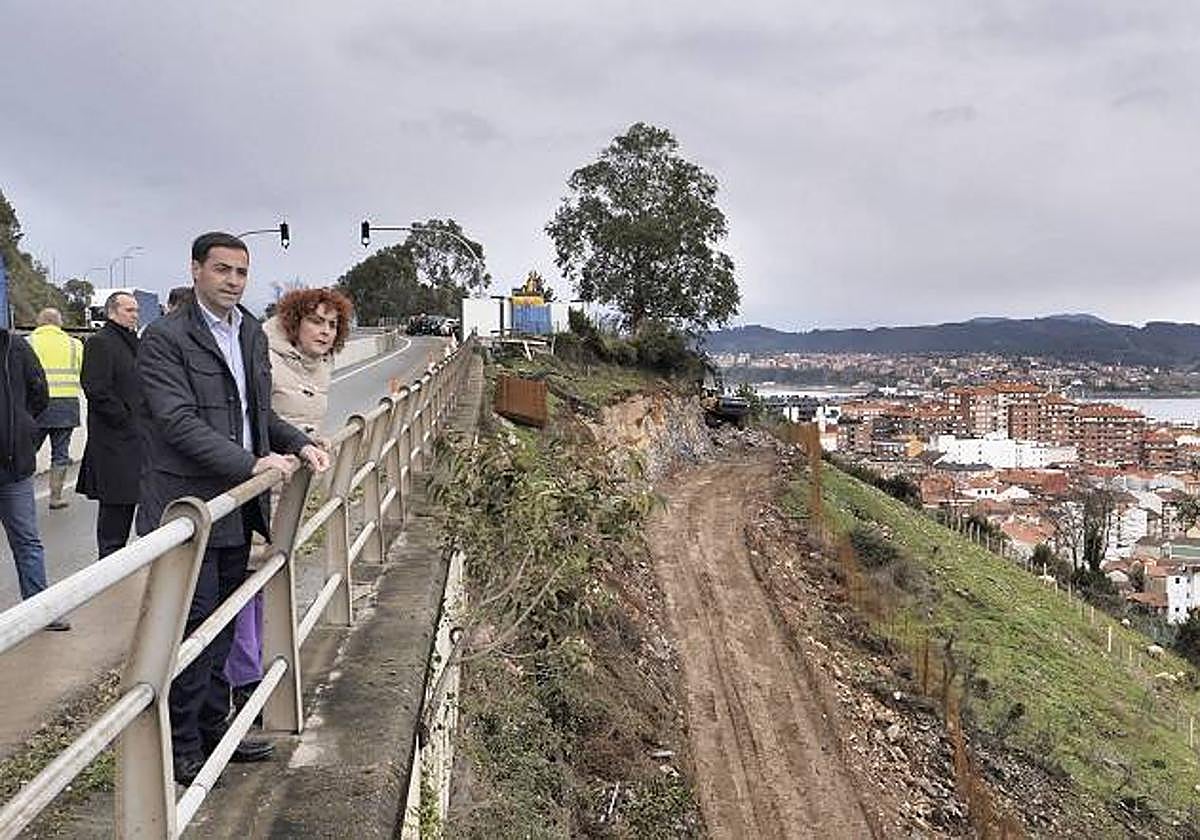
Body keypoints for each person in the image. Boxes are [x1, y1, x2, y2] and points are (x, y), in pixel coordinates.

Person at [137, 232, 330, 785]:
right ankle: (182, 749)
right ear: (196, 270)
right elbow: (174, 421)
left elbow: (255, 411)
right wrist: (249, 465)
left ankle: (215, 728)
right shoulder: (165, 338)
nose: (232, 281)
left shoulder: (246, 330)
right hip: (190, 506)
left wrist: (297, 443)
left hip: (234, 510)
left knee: (223, 628)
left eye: (241, 272)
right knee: (192, 629)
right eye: (222, 269)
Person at [225, 287, 352, 709]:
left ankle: (258, 667)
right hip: (258, 483)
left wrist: (312, 441)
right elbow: (260, 417)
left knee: (267, 577)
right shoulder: (263, 354)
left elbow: (299, 419)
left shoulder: (320, 366)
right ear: (294, 321)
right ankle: (244, 681)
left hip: (290, 489)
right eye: (316, 321)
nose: (325, 331)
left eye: (332, 325)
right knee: (247, 579)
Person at [0, 324, 69, 630]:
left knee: (27, 542)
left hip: (13, 468)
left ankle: (40, 611)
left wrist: (22, 426)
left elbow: (39, 393)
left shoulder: (15, 348)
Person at [76, 292, 141, 557]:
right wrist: (125, 420)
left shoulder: (132, 343)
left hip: (136, 443)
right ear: (112, 312)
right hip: (114, 445)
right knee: (115, 519)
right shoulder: (102, 343)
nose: (135, 315)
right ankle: (108, 575)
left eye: (136, 310)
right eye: (129, 310)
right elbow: (96, 388)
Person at [28, 308, 83, 510]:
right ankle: (56, 497)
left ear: (39, 322)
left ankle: (19, 495)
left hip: (36, 407)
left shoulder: (28, 342)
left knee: (26, 451)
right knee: (60, 453)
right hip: (66, 406)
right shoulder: (74, 344)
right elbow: (81, 372)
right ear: (59, 323)